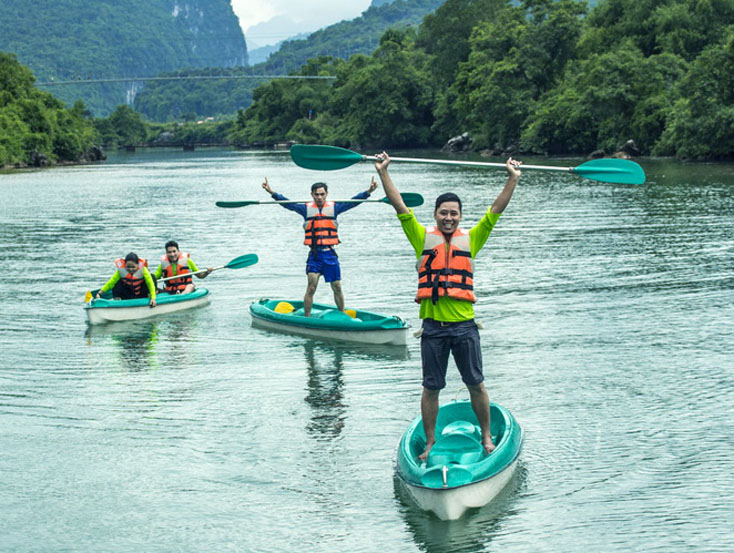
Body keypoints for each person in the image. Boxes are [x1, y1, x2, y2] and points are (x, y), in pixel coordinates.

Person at [374, 151, 522, 460]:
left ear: (460, 215)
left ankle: (485, 436)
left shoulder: (472, 239)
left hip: (465, 327)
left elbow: (496, 210)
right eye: (444, 213)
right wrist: (384, 172)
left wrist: (512, 178)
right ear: (436, 215)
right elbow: (399, 206)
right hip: (433, 330)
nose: (449, 217)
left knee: (476, 384)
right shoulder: (421, 237)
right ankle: (430, 443)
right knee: (431, 388)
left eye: (454, 213)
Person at [262, 177, 378, 316]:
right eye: (316, 194)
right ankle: (307, 317)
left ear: (326, 194)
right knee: (311, 287)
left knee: (337, 286)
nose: (319, 197)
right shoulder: (305, 209)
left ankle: (342, 314)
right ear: (312, 195)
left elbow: (353, 202)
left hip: (329, 254)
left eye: (322, 194)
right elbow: (287, 203)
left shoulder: (335, 208)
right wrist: (271, 192)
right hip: (315, 256)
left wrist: (369, 191)